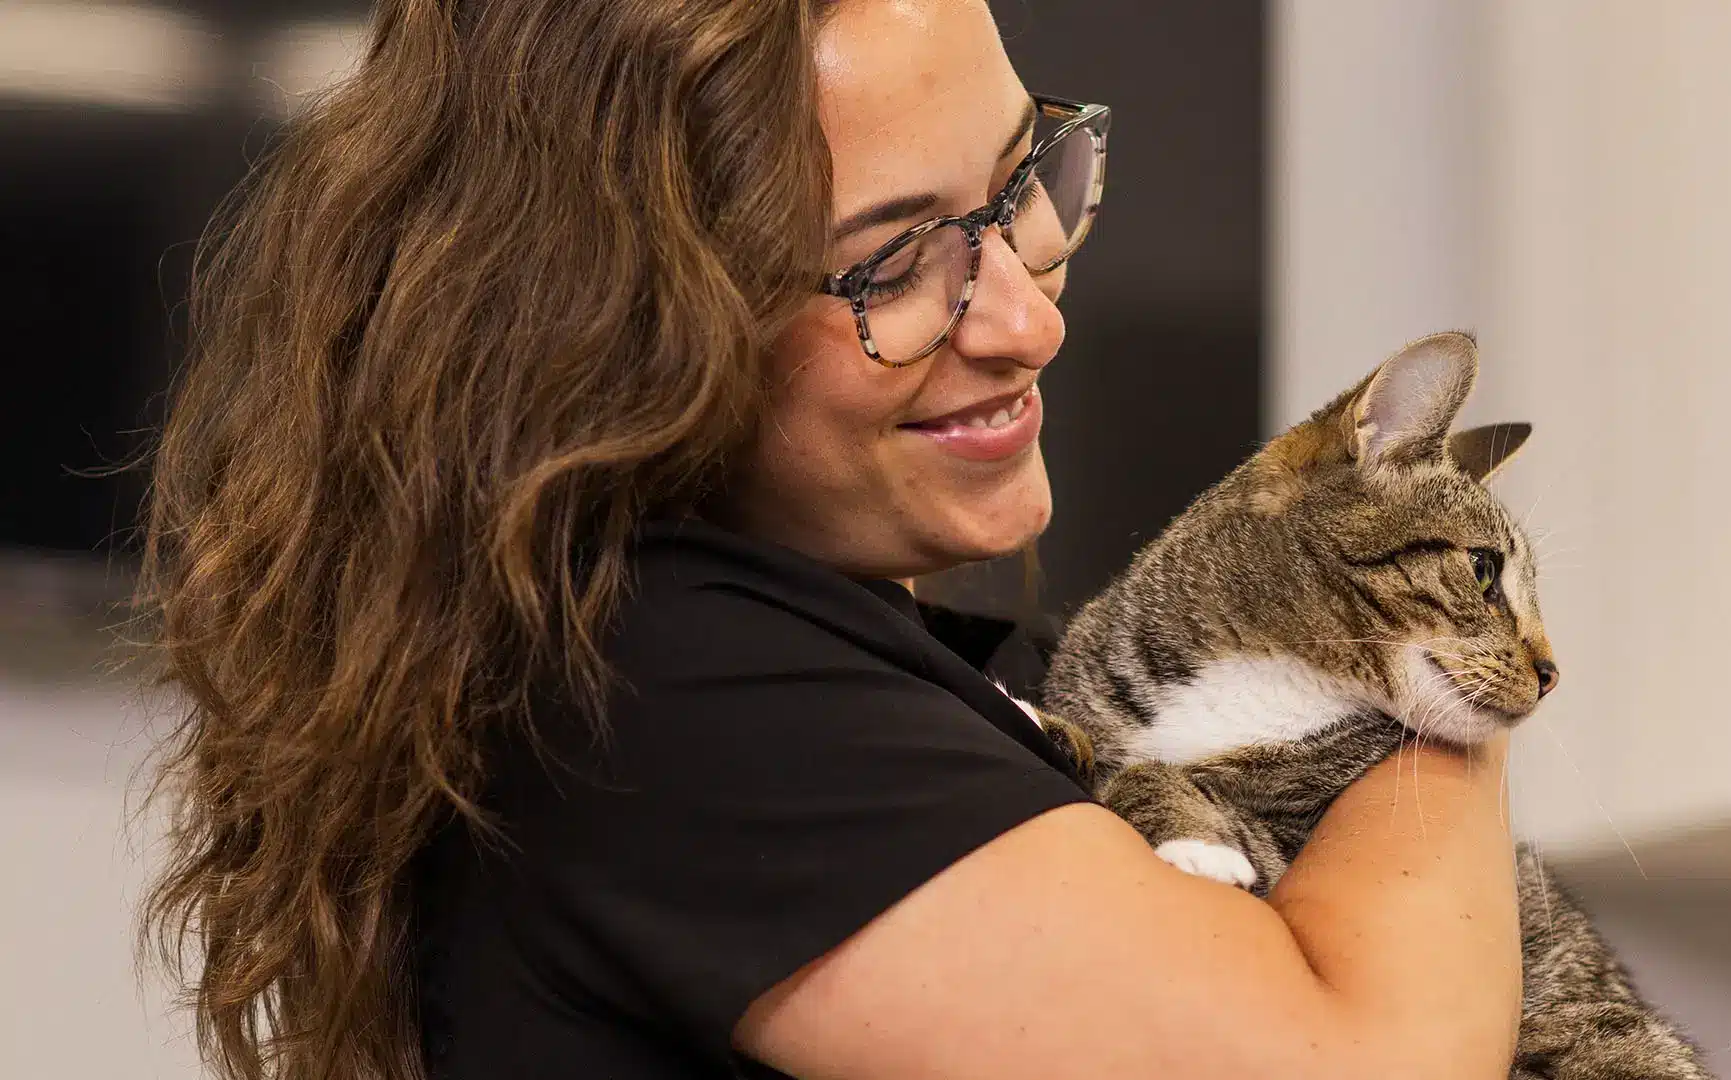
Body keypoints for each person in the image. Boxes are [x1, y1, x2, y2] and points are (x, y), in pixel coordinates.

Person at [139, 1, 1523, 1078]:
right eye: (889, 259)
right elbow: (1363, 1057)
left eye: (1024, 181)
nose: (1027, 320)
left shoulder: (913, 674)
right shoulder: (659, 691)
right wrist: (1435, 617)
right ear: (622, 327)